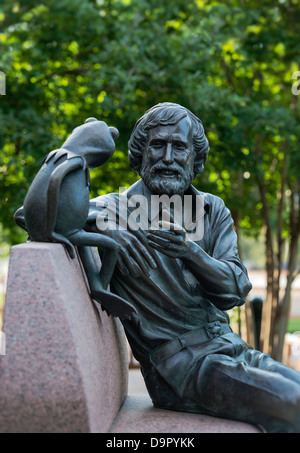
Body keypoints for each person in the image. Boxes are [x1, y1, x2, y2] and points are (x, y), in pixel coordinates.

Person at [86, 102, 300, 433]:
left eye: (179, 147)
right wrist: (109, 228)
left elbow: (235, 290)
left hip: (230, 348)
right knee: (292, 403)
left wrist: (190, 252)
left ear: (193, 158)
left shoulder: (212, 210)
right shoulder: (114, 209)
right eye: (158, 145)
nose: (168, 157)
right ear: (141, 152)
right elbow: (34, 213)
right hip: (179, 368)